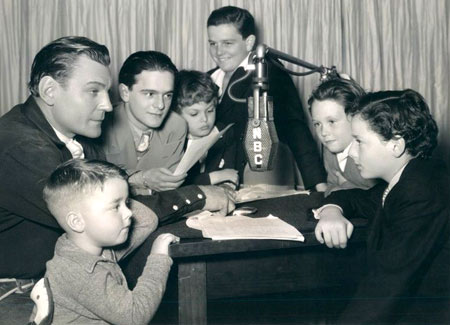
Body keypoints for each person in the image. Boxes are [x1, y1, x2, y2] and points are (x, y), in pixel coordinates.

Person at [0, 36, 233, 280]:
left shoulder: (78, 137)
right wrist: (197, 196)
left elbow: (119, 194)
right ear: (49, 90)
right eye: (93, 91)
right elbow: (104, 215)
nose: (108, 105)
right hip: (18, 293)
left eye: (105, 91)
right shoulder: (19, 146)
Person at [314, 89, 450, 323]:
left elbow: (384, 286)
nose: (353, 151)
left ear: (396, 145)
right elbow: (356, 199)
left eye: (359, 141)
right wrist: (331, 210)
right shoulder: (409, 177)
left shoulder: (421, 191)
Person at [36, 159, 178, 324]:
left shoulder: (87, 247)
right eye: (115, 207)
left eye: (127, 203)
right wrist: (158, 258)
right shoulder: (78, 272)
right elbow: (135, 316)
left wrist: (118, 197)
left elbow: (147, 219)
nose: (129, 213)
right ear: (76, 222)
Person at [206, 6, 327, 191]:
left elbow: (295, 129)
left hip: (256, 183)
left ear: (249, 42)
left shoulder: (270, 74)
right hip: (212, 182)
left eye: (227, 43)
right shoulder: (208, 79)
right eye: (213, 43)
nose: (218, 51)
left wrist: (318, 185)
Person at [100, 51, 188, 193]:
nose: (160, 105)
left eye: (167, 95)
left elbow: (169, 188)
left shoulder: (176, 126)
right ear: (125, 93)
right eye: (150, 94)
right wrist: (142, 178)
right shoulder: (100, 124)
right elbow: (94, 183)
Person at [308, 78, 377, 196]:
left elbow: (381, 199)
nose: (323, 132)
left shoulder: (370, 152)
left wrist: (345, 186)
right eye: (317, 124)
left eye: (332, 121)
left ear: (355, 117)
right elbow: (330, 188)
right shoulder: (331, 147)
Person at [174, 70, 238, 187]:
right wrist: (215, 177)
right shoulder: (172, 141)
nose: (204, 119)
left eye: (210, 110)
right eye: (194, 114)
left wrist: (227, 185)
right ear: (176, 115)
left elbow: (231, 174)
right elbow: (174, 184)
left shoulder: (224, 133)